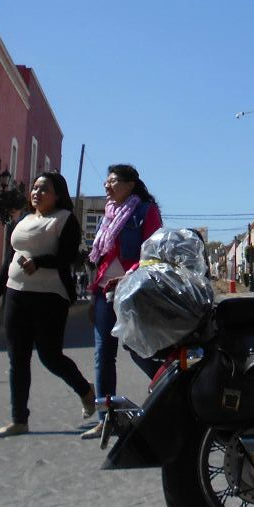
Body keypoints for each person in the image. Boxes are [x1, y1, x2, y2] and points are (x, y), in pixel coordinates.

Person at [0, 172, 94, 438]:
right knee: (17, 358)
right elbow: (11, 257)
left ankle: (85, 391)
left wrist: (39, 263)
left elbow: (68, 256)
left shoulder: (64, 219)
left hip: (49, 297)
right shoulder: (23, 221)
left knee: (50, 356)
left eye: (44, 189)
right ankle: (19, 420)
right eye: (34, 188)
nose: (36, 193)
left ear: (57, 194)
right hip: (16, 294)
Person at [83, 164, 162, 440]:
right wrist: (96, 290)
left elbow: (153, 253)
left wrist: (127, 278)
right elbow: (103, 258)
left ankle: (168, 384)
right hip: (105, 290)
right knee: (103, 352)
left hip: (131, 291)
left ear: (130, 184)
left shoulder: (145, 211)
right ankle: (107, 419)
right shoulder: (109, 215)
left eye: (113, 181)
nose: (107, 186)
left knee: (136, 346)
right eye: (106, 181)